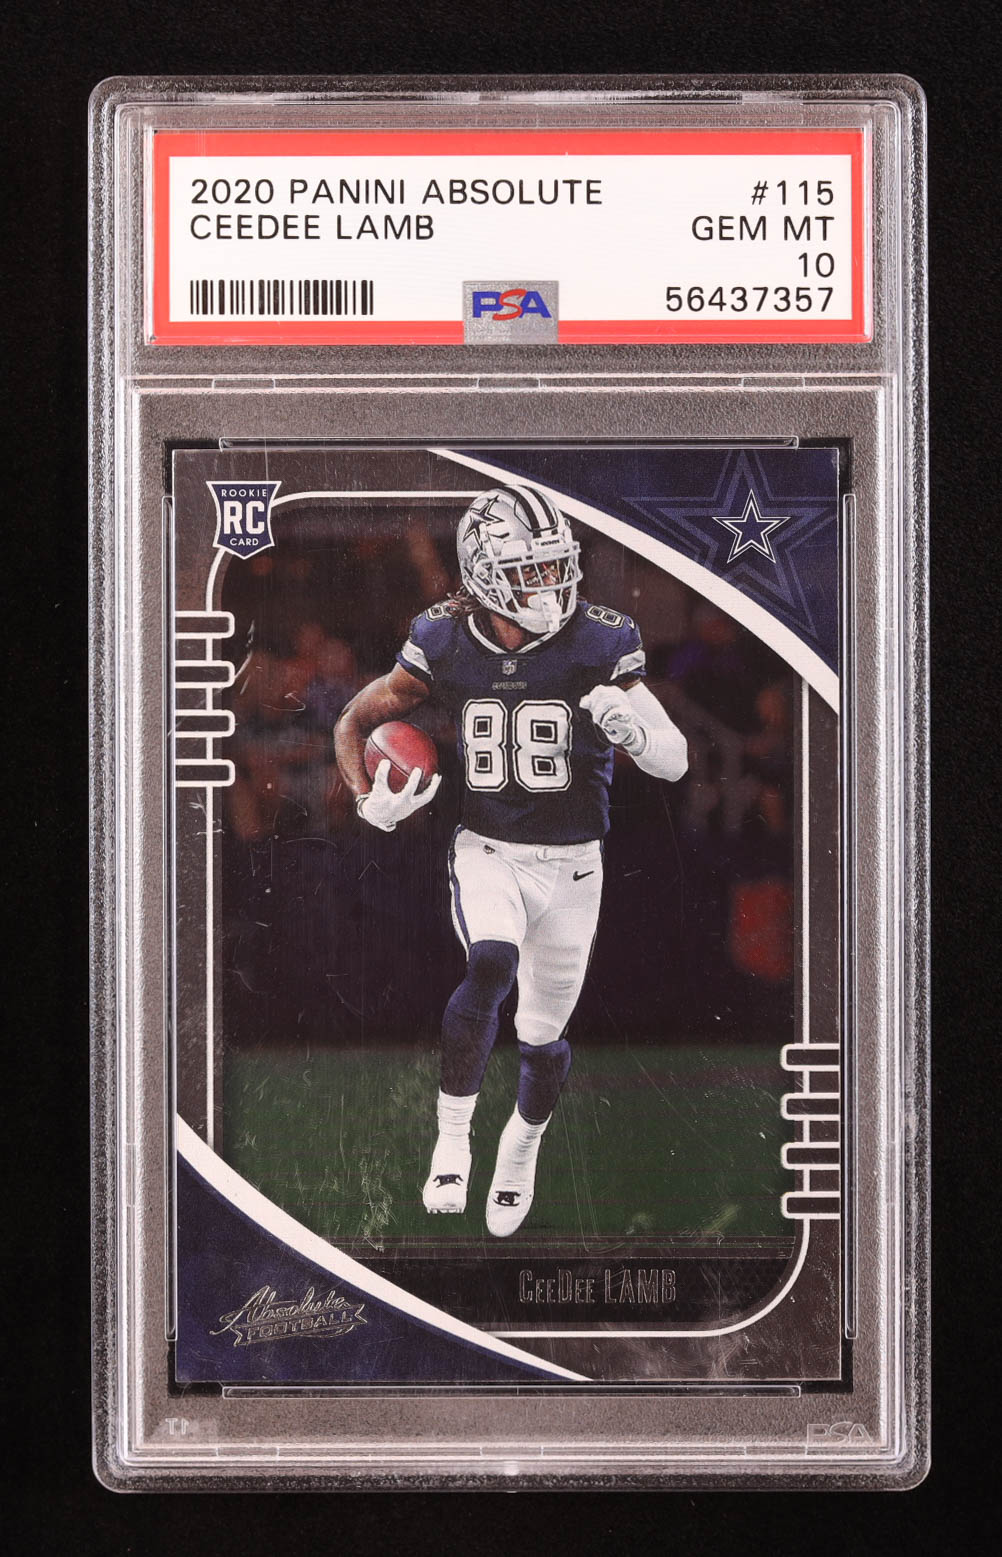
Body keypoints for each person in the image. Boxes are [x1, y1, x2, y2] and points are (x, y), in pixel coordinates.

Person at [334, 484, 688, 1236]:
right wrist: (367, 800)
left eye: (557, 567)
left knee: (542, 1037)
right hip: (489, 848)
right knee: (491, 960)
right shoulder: (442, 638)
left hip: (576, 865)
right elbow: (353, 721)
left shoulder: (600, 639)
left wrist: (634, 732)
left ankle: (521, 1147)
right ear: (485, 574)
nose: (550, 585)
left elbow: (676, 760)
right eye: (530, 571)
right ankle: (453, 1138)